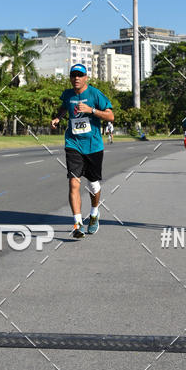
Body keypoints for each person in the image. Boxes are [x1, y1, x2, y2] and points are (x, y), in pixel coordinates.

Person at [51, 64, 114, 239]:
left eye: (80, 75)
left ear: (86, 77)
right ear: (70, 77)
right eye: (73, 75)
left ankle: (94, 214)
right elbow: (65, 106)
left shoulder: (95, 94)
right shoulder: (68, 94)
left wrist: (91, 110)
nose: (76, 78)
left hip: (93, 146)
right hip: (73, 143)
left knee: (93, 184)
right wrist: (58, 117)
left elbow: (110, 116)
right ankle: (77, 223)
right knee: (74, 182)